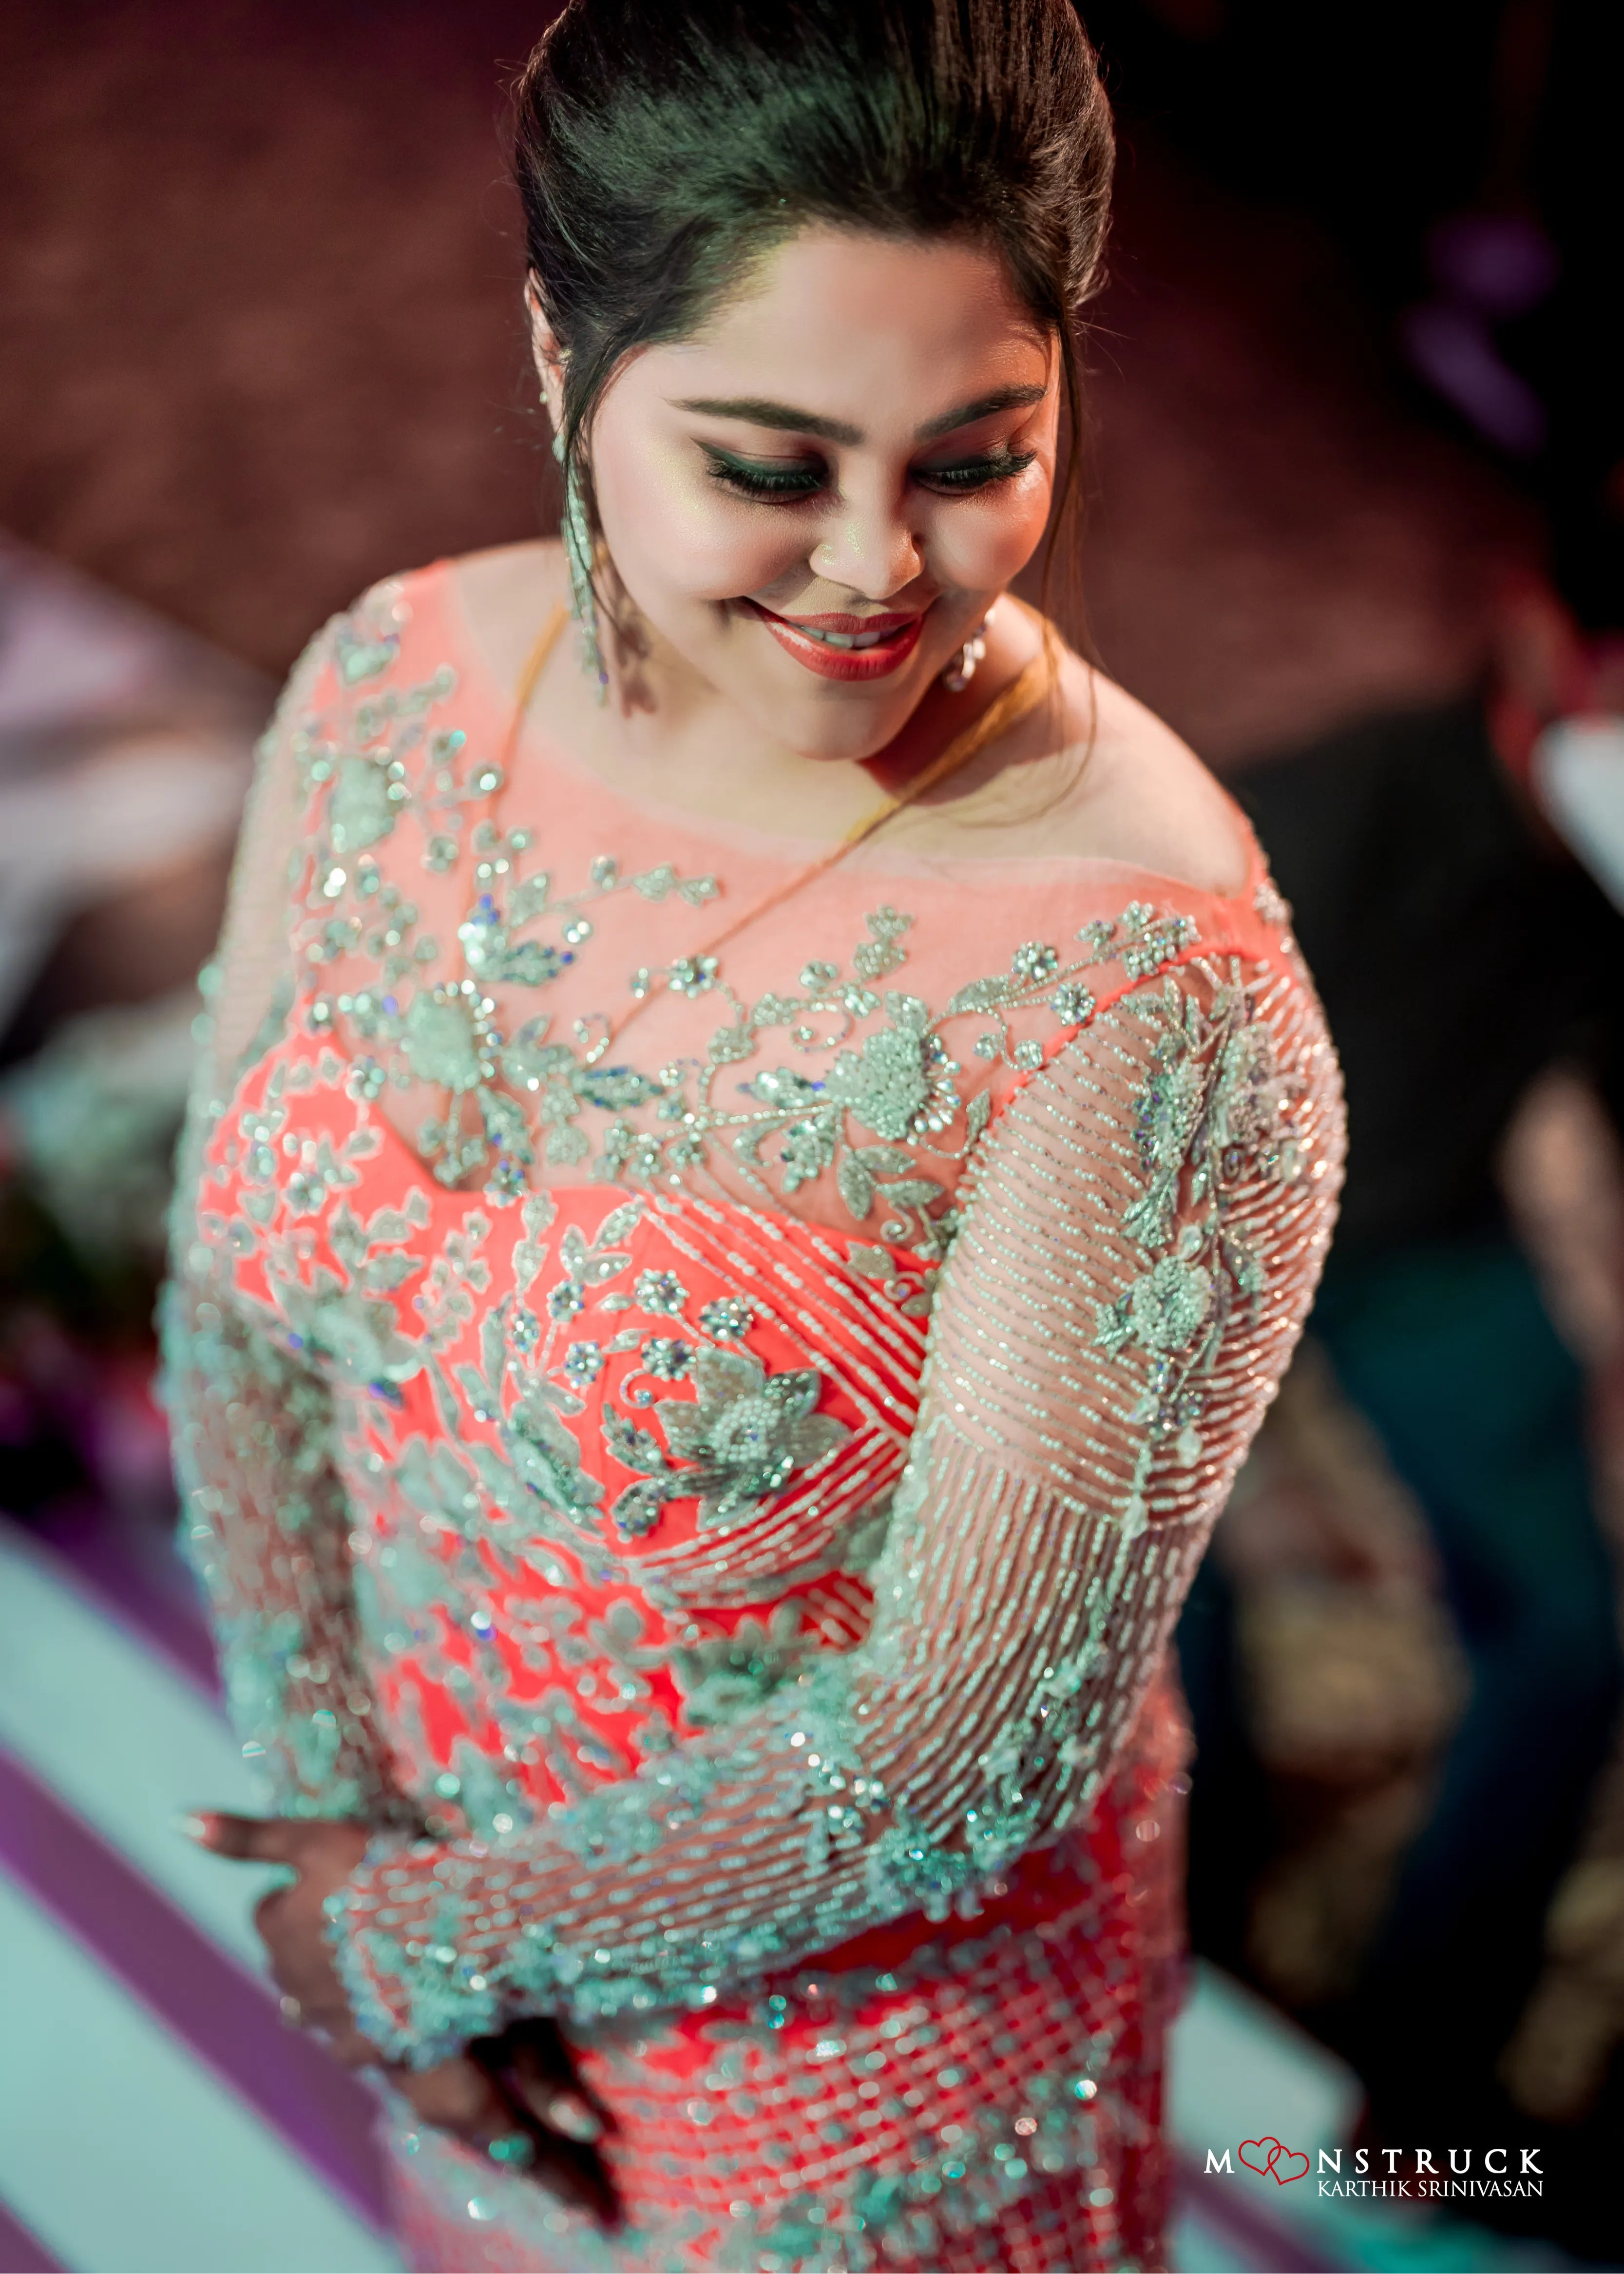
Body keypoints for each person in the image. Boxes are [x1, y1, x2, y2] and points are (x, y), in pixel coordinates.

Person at [160, 5, 1343, 2269]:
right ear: (560, 358)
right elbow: (236, 1312)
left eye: (975, 455)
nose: (877, 564)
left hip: (846, 2096)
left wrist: (403, 1944)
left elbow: (958, 1753)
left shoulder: (1138, 977)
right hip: (445, 1976)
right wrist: (331, 1816)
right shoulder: (392, 686)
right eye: (771, 468)